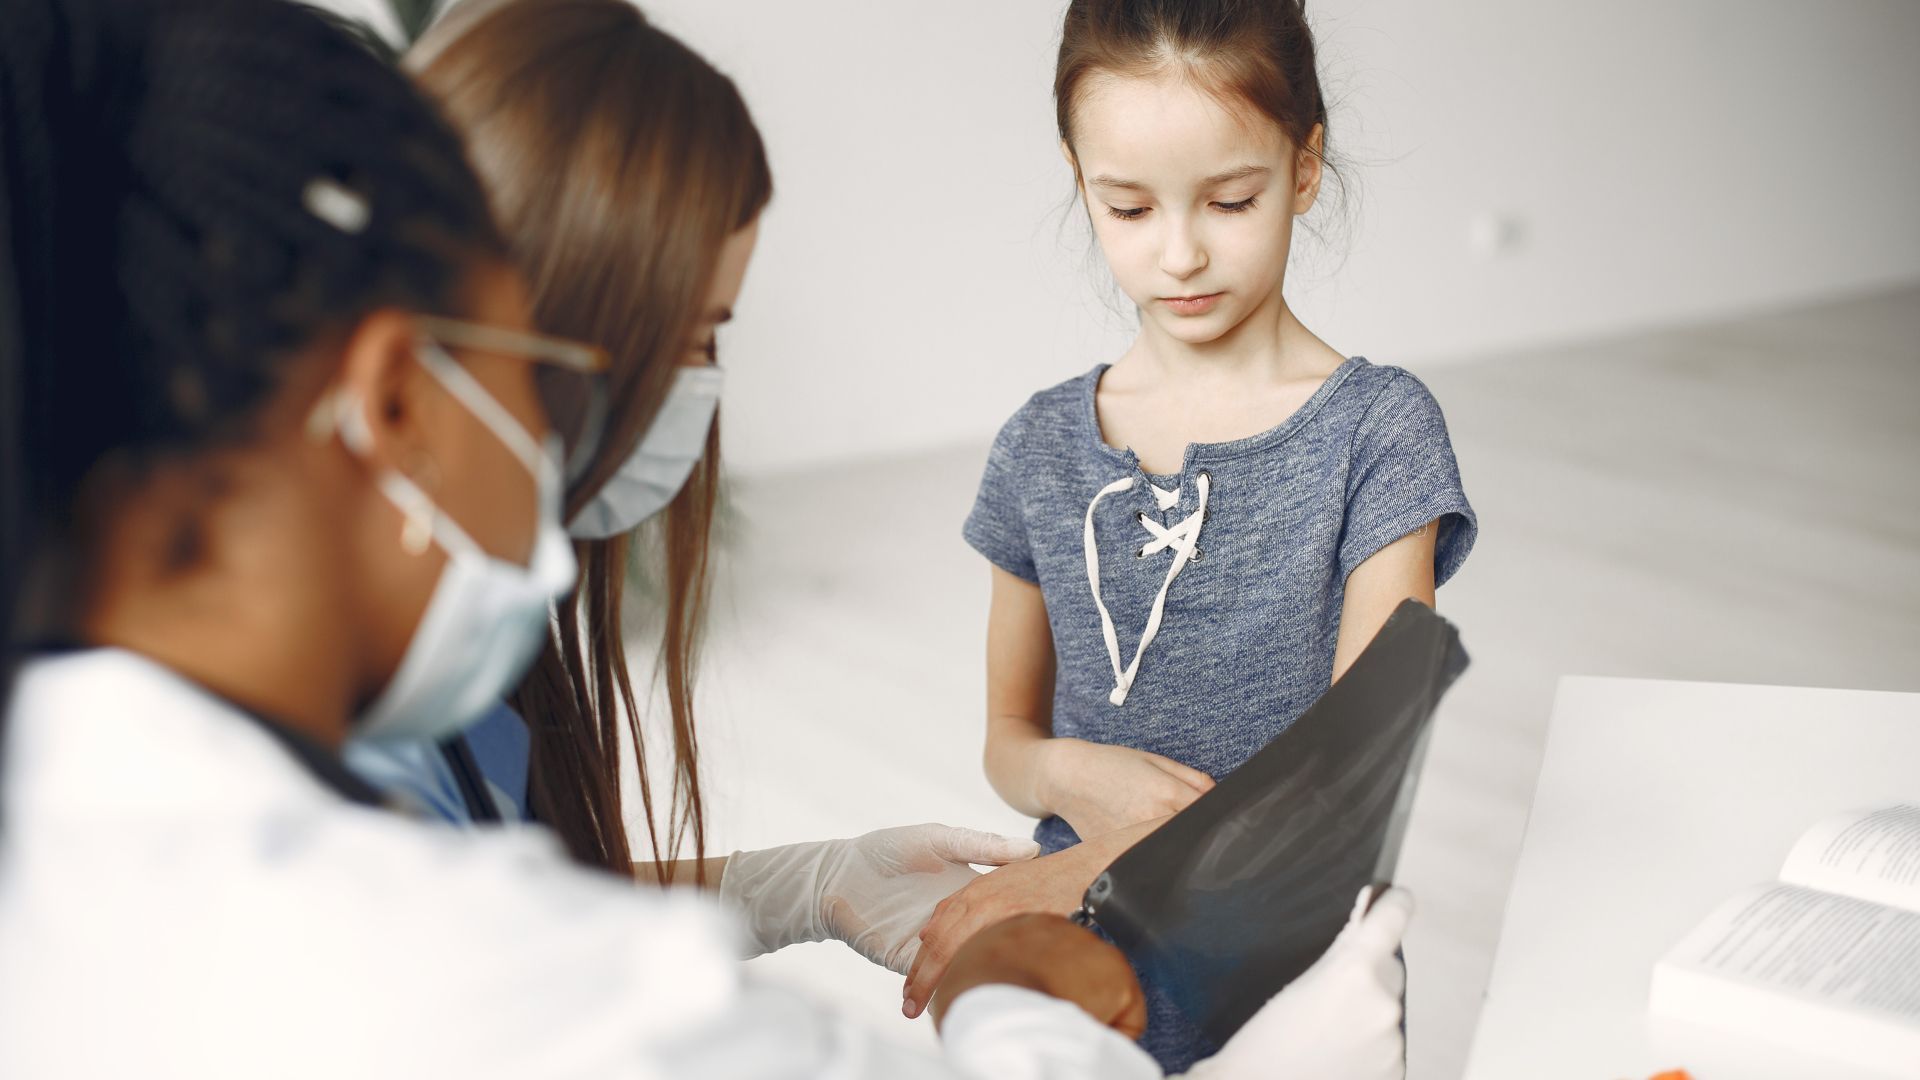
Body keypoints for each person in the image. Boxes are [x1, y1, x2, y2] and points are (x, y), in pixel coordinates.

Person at [0, 2, 1414, 1078]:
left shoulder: (88, 811)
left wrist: (799, 884)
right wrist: (1024, 991)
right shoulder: (472, 986)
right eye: (540, 373)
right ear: (394, 399)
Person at [337, 0, 1027, 977]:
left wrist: (808, 885)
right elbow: (485, 982)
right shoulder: (344, 744)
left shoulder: (464, 630)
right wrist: (1019, 1016)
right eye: (696, 336)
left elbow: (524, 910)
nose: (702, 387)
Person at [905, 0, 1478, 1070]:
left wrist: (1085, 870)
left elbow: (1347, 792)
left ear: (1305, 167)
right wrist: (1068, 776)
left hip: (1301, 988)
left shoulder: (1376, 433)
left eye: (1230, 200)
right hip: (1072, 978)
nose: (1179, 254)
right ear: (1080, 180)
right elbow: (1006, 742)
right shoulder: (1039, 446)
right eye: (1127, 207)